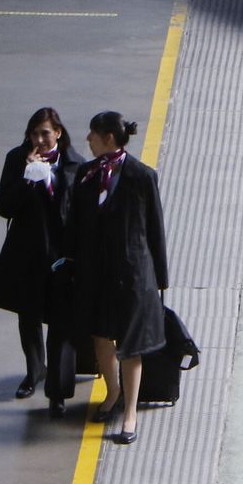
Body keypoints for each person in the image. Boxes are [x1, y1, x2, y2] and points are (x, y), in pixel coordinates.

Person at [62, 111, 168, 444]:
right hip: (96, 273)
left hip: (132, 274)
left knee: (131, 343)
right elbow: (75, 224)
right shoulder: (86, 174)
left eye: (92, 134)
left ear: (108, 137)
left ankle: (130, 411)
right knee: (100, 336)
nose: (88, 140)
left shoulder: (141, 176)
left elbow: (155, 229)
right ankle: (112, 392)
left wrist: (160, 280)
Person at [0, 107, 83, 417]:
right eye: (35, 134)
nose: (40, 139)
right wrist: (28, 178)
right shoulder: (17, 159)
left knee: (61, 321)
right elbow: (5, 206)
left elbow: (75, 214)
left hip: (60, 255)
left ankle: (57, 390)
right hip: (27, 251)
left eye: (46, 133)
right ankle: (34, 372)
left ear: (58, 132)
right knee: (27, 315)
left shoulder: (75, 164)